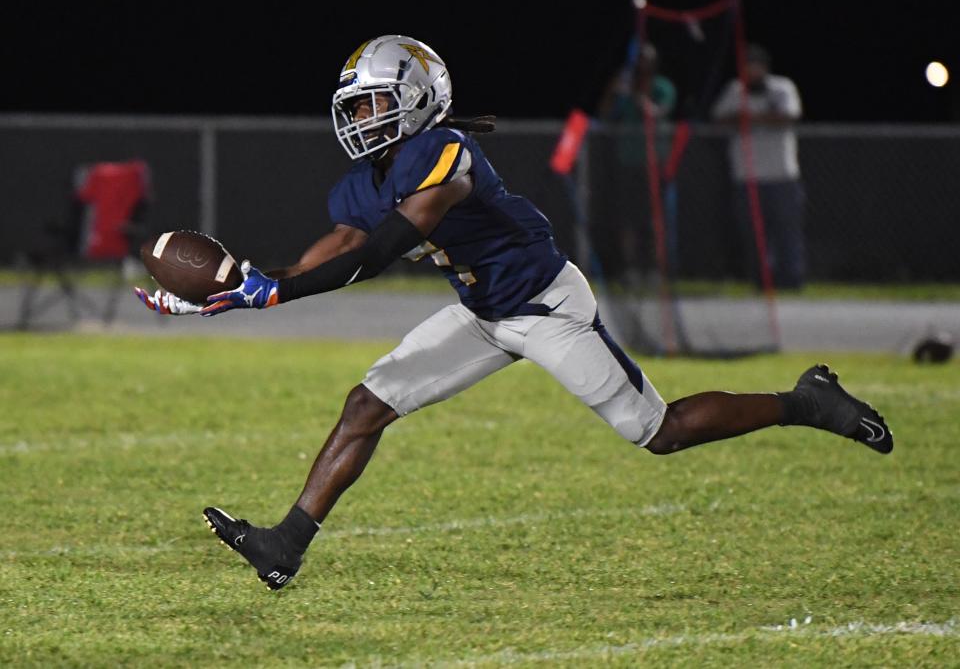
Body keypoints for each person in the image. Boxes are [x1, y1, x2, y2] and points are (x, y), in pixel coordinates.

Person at [135, 35, 892, 591]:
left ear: (418, 98)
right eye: (355, 105)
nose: (361, 118)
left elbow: (388, 245)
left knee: (659, 433)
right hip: (482, 310)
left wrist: (279, 291)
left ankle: (806, 402)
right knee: (368, 403)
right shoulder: (365, 179)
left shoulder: (447, 154)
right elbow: (332, 247)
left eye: (373, 102)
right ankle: (285, 545)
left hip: (545, 307)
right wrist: (241, 287)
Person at [712, 44, 806, 289]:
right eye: (747, 66)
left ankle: (791, 280)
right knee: (754, 234)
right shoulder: (735, 90)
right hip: (747, 176)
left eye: (756, 66)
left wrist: (749, 118)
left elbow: (789, 115)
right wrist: (751, 118)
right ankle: (761, 280)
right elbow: (720, 118)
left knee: (786, 231)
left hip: (782, 174)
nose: (752, 71)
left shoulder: (781, 87)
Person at [596, 44, 676, 283]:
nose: (641, 66)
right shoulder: (624, 88)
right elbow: (605, 113)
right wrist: (614, 91)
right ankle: (629, 269)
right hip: (627, 161)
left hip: (654, 162)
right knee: (628, 218)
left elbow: (657, 113)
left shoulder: (662, 87)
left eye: (645, 61)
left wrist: (638, 95)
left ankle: (653, 269)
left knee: (653, 218)